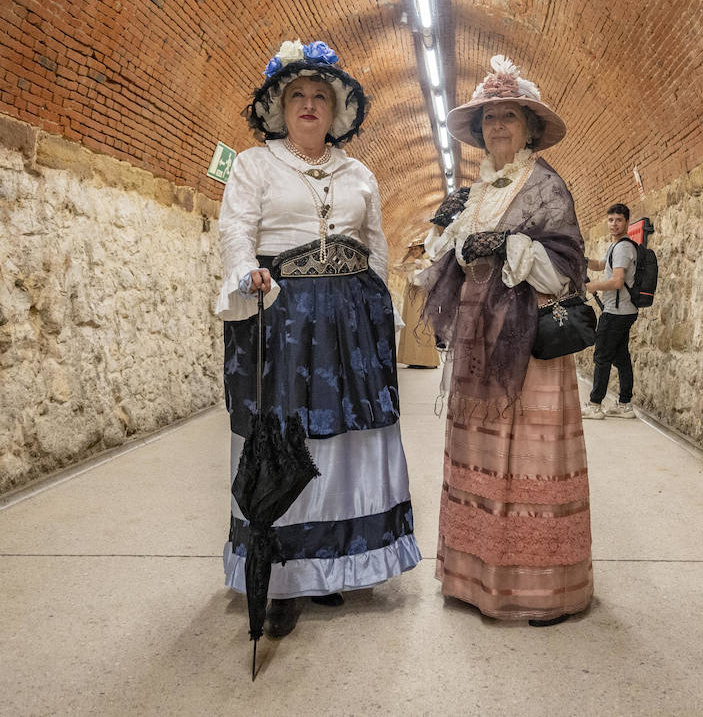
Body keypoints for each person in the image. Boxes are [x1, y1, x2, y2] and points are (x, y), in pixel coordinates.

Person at [215, 39, 420, 639]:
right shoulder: (254, 165)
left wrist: (383, 313)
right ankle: (279, 575)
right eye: (298, 96)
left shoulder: (360, 173)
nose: (309, 105)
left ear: (337, 110)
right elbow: (235, 230)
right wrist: (244, 272)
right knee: (286, 436)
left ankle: (329, 566)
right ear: (280, 107)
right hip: (281, 315)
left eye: (320, 97)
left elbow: (377, 244)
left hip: (349, 317)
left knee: (347, 434)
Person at [416, 54, 592, 627]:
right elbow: (436, 264)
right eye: (489, 117)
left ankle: (533, 588)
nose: (497, 126)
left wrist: (510, 246)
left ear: (529, 126)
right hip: (475, 339)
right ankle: (474, 577)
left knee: (527, 460)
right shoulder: (471, 194)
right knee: (480, 451)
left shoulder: (545, 187)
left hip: (526, 347)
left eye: (508, 116)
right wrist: (449, 237)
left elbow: (563, 271)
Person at [583, 203, 639, 420]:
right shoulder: (615, 246)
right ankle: (625, 404)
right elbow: (598, 264)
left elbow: (617, 281)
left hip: (616, 312)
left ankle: (595, 404)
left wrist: (593, 286)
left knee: (602, 356)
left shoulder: (624, 248)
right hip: (623, 310)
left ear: (626, 222)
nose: (614, 224)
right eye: (610, 220)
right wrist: (581, 259)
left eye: (618, 220)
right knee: (621, 357)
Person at [396, 243, 440, 369]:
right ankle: (413, 358)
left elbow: (429, 278)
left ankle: (425, 360)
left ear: (421, 249)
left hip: (420, 297)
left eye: (416, 249)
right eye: (412, 249)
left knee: (420, 324)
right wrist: (406, 256)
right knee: (411, 324)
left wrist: (417, 264)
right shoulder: (412, 263)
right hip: (411, 298)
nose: (413, 251)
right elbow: (397, 267)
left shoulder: (425, 262)